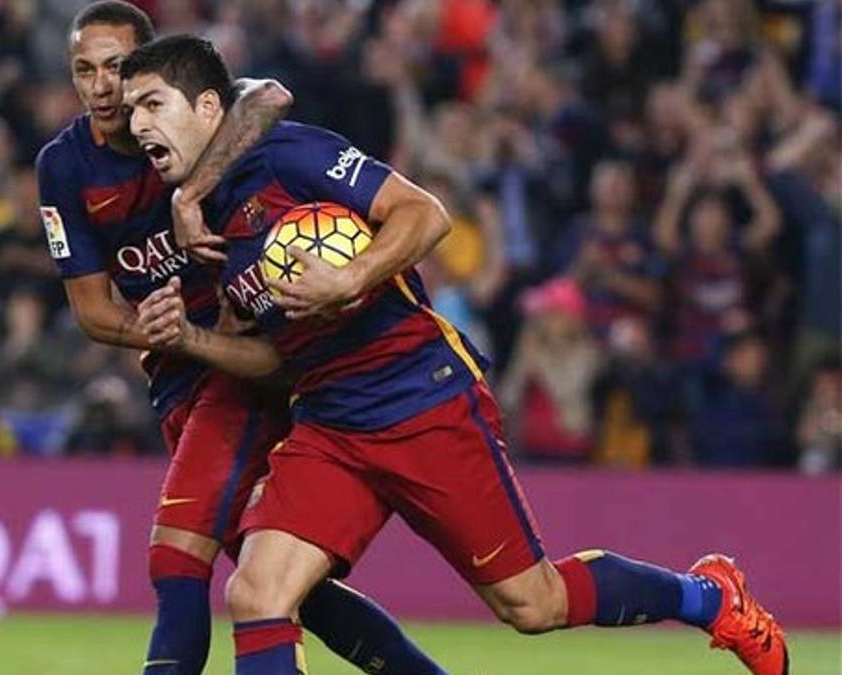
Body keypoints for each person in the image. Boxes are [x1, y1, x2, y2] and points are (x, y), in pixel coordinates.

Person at [123, 34, 788, 675]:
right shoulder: (205, 223)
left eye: (152, 103)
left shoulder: (287, 156)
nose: (136, 121)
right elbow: (271, 359)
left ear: (208, 108)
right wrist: (191, 338)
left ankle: (708, 597)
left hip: (422, 395)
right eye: (131, 109)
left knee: (534, 602)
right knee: (257, 593)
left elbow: (425, 213)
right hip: (328, 418)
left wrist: (351, 278)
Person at [36, 3, 442, 674]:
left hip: (249, 363)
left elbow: (267, 94)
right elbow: (91, 312)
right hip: (180, 369)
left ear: (146, 71)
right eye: (84, 71)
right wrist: (169, 330)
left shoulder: (182, 124)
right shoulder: (65, 166)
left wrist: (187, 193)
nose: (102, 87)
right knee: (279, 588)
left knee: (178, 555)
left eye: (116, 68)